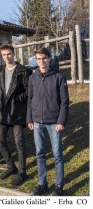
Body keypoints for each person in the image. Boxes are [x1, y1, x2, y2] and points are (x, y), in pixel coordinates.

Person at [27, 47, 69, 196]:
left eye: (44, 58)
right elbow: (30, 100)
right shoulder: (33, 78)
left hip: (54, 122)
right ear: (36, 60)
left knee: (57, 154)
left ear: (49, 59)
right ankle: (42, 184)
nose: (41, 61)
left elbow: (64, 102)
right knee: (40, 153)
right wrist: (29, 119)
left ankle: (59, 186)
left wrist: (61, 121)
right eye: (38, 59)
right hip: (37, 121)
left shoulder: (59, 77)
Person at [0, 44, 32, 186]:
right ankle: (11, 166)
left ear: (14, 54)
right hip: (3, 112)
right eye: (3, 55)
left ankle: (22, 172)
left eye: (9, 54)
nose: (6, 57)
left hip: (18, 112)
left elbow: (29, 91)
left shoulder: (23, 71)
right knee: (0, 139)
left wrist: (16, 99)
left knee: (19, 143)